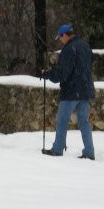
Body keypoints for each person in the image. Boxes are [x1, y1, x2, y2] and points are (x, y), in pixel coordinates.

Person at [41, 24, 96, 159]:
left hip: (71, 91)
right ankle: (89, 152)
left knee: (62, 120)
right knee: (84, 122)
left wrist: (48, 74)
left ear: (65, 34)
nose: (60, 40)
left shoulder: (68, 49)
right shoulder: (85, 46)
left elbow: (63, 73)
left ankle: (58, 149)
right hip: (84, 89)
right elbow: (87, 66)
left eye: (60, 37)